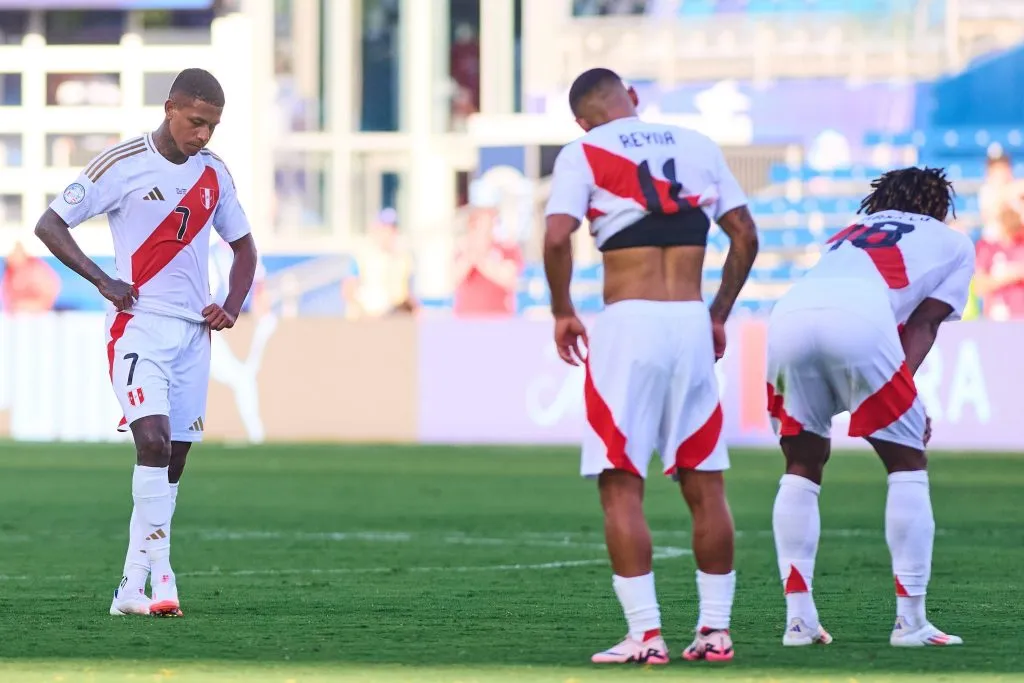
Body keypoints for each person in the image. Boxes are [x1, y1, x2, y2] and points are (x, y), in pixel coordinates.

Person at [543, 68, 758, 664]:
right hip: (688, 319)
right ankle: (715, 631)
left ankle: (646, 635)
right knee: (705, 482)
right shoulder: (698, 145)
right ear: (633, 99)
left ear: (583, 120)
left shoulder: (583, 151)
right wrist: (717, 314)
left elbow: (558, 235)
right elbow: (745, 236)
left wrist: (562, 310)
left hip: (627, 322)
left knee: (620, 483)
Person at [33, 68, 258, 618]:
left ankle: (133, 586)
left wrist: (230, 304)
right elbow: (50, 224)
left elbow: (246, 249)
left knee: (173, 458)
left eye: (213, 126)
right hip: (137, 325)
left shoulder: (214, 173)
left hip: (193, 333)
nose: (204, 135)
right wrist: (102, 280)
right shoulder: (121, 163)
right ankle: (163, 572)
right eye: (196, 122)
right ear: (170, 108)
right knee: (152, 441)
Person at [766, 167, 973, 648]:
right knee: (906, 462)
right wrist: (907, 396)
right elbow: (923, 326)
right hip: (859, 316)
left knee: (801, 463)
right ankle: (911, 622)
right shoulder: (952, 241)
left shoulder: (848, 233)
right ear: (939, 207)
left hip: (788, 317)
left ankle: (798, 622)